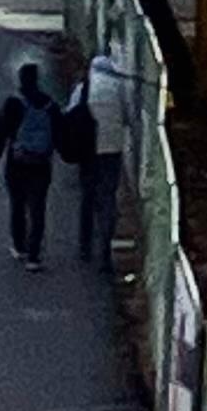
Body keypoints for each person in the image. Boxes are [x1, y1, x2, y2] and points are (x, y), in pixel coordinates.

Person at [66, 34, 137, 267]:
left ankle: (84, 246)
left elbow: (71, 113)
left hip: (88, 148)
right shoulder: (119, 86)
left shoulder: (84, 87)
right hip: (112, 148)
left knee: (87, 196)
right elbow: (129, 116)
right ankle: (105, 249)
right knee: (108, 198)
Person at [0, 60, 61, 269]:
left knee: (17, 204)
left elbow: (0, 133)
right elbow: (59, 134)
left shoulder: (13, 103)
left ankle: (19, 246)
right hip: (41, 163)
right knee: (38, 207)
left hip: (17, 162)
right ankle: (34, 256)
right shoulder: (50, 104)